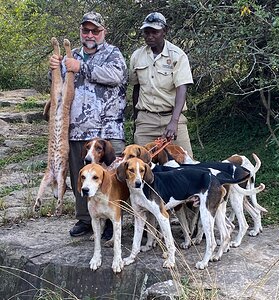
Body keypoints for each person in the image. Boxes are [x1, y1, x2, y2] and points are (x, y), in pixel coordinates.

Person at [49, 11, 127, 237]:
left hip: (106, 130)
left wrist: (80, 67)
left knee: (112, 177)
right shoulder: (70, 55)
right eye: (86, 30)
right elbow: (57, 85)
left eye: (95, 30)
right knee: (79, 176)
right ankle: (85, 219)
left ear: (104, 32)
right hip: (76, 130)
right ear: (80, 32)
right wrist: (54, 67)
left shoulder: (113, 54)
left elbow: (116, 76)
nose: (90, 34)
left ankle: (112, 222)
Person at [129, 12, 194, 157]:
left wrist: (174, 122)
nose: (150, 36)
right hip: (146, 120)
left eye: (155, 32)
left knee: (186, 164)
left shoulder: (177, 56)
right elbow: (136, 89)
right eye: (146, 32)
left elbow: (181, 89)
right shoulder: (137, 56)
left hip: (172, 117)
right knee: (141, 167)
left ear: (164, 31)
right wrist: (136, 120)